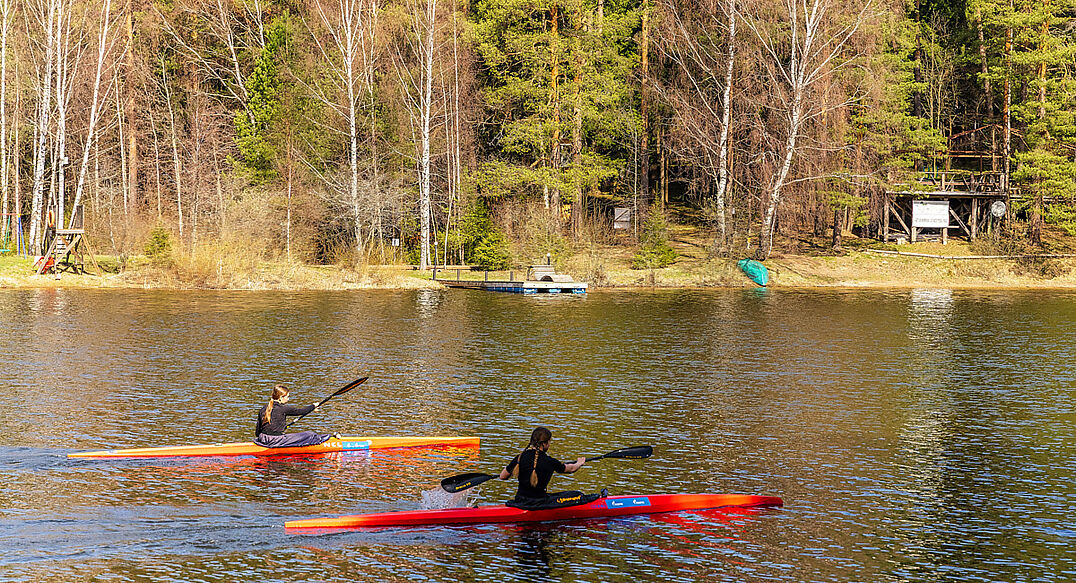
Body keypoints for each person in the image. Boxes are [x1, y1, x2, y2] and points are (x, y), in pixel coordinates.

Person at [499, 427, 599, 509]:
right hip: (539, 503)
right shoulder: (549, 461)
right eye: (549, 442)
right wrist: (579, 463)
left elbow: (502, 476)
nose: (549, 445)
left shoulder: (520, 457)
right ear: (544, 444)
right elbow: (571, 469)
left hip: (520, 501)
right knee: (577, 494)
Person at [254, 384, 333, 448]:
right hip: (275, 441)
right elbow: (301, 411)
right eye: (287, 397)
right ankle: (327, 439)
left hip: (262, 439)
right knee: (310, 434)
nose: (288, 399)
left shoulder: (263, 408)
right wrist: (313, 406)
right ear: (281, 397)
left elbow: (257, 432)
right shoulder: (283, 408)